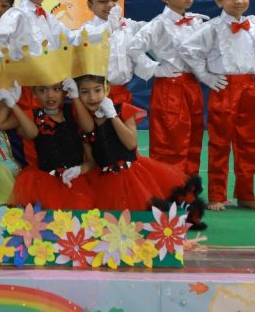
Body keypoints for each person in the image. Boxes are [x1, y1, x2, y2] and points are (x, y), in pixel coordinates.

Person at [179, 0, 255, 212]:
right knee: (219, 143)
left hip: (249, 88)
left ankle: (246, 194)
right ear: (219, 0)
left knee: (249, 143)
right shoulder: (213, 28)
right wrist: (205, 75)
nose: (239, 1)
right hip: (224, 89)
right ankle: (217, 195)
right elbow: (187, 49)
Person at [76, 75, 206, 228]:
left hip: (132, 176)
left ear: (107, 89)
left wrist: (113, 116)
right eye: (84, 92)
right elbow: (92, 159)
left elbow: (131, 143)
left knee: (145, 221)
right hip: (104, 181)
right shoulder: (84, 123)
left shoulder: (123, 110)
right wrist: (77, 170)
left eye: (97, 90)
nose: (92, 97)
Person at [127, 0, 209, 176]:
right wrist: (155, 69)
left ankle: (189, 188)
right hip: (169, 89)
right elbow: (133, 48)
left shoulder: (197, 21)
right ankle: (168, 188)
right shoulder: (158, 24)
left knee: (194, 140)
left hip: (192, 86)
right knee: (170, 143)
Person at [0, 79, 96, 210]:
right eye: (43, 90)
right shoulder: (32, 116)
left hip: (76, 183)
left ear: (64, 91)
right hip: (44, 184)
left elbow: (89, 127)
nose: (50, 95)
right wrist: (12, 104)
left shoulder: (72, 112)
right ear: (34, 93)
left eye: (56, 89)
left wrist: (75, 97)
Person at [73, 0, 160, 105]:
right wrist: (110, 26)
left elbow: (150, 30)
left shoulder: (128, 26)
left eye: (114, 0)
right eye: (103, 1)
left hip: (122, 92)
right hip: (94, 94)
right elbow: (86, 37)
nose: (110, 5)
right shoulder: (87, 29)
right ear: (90, 5)